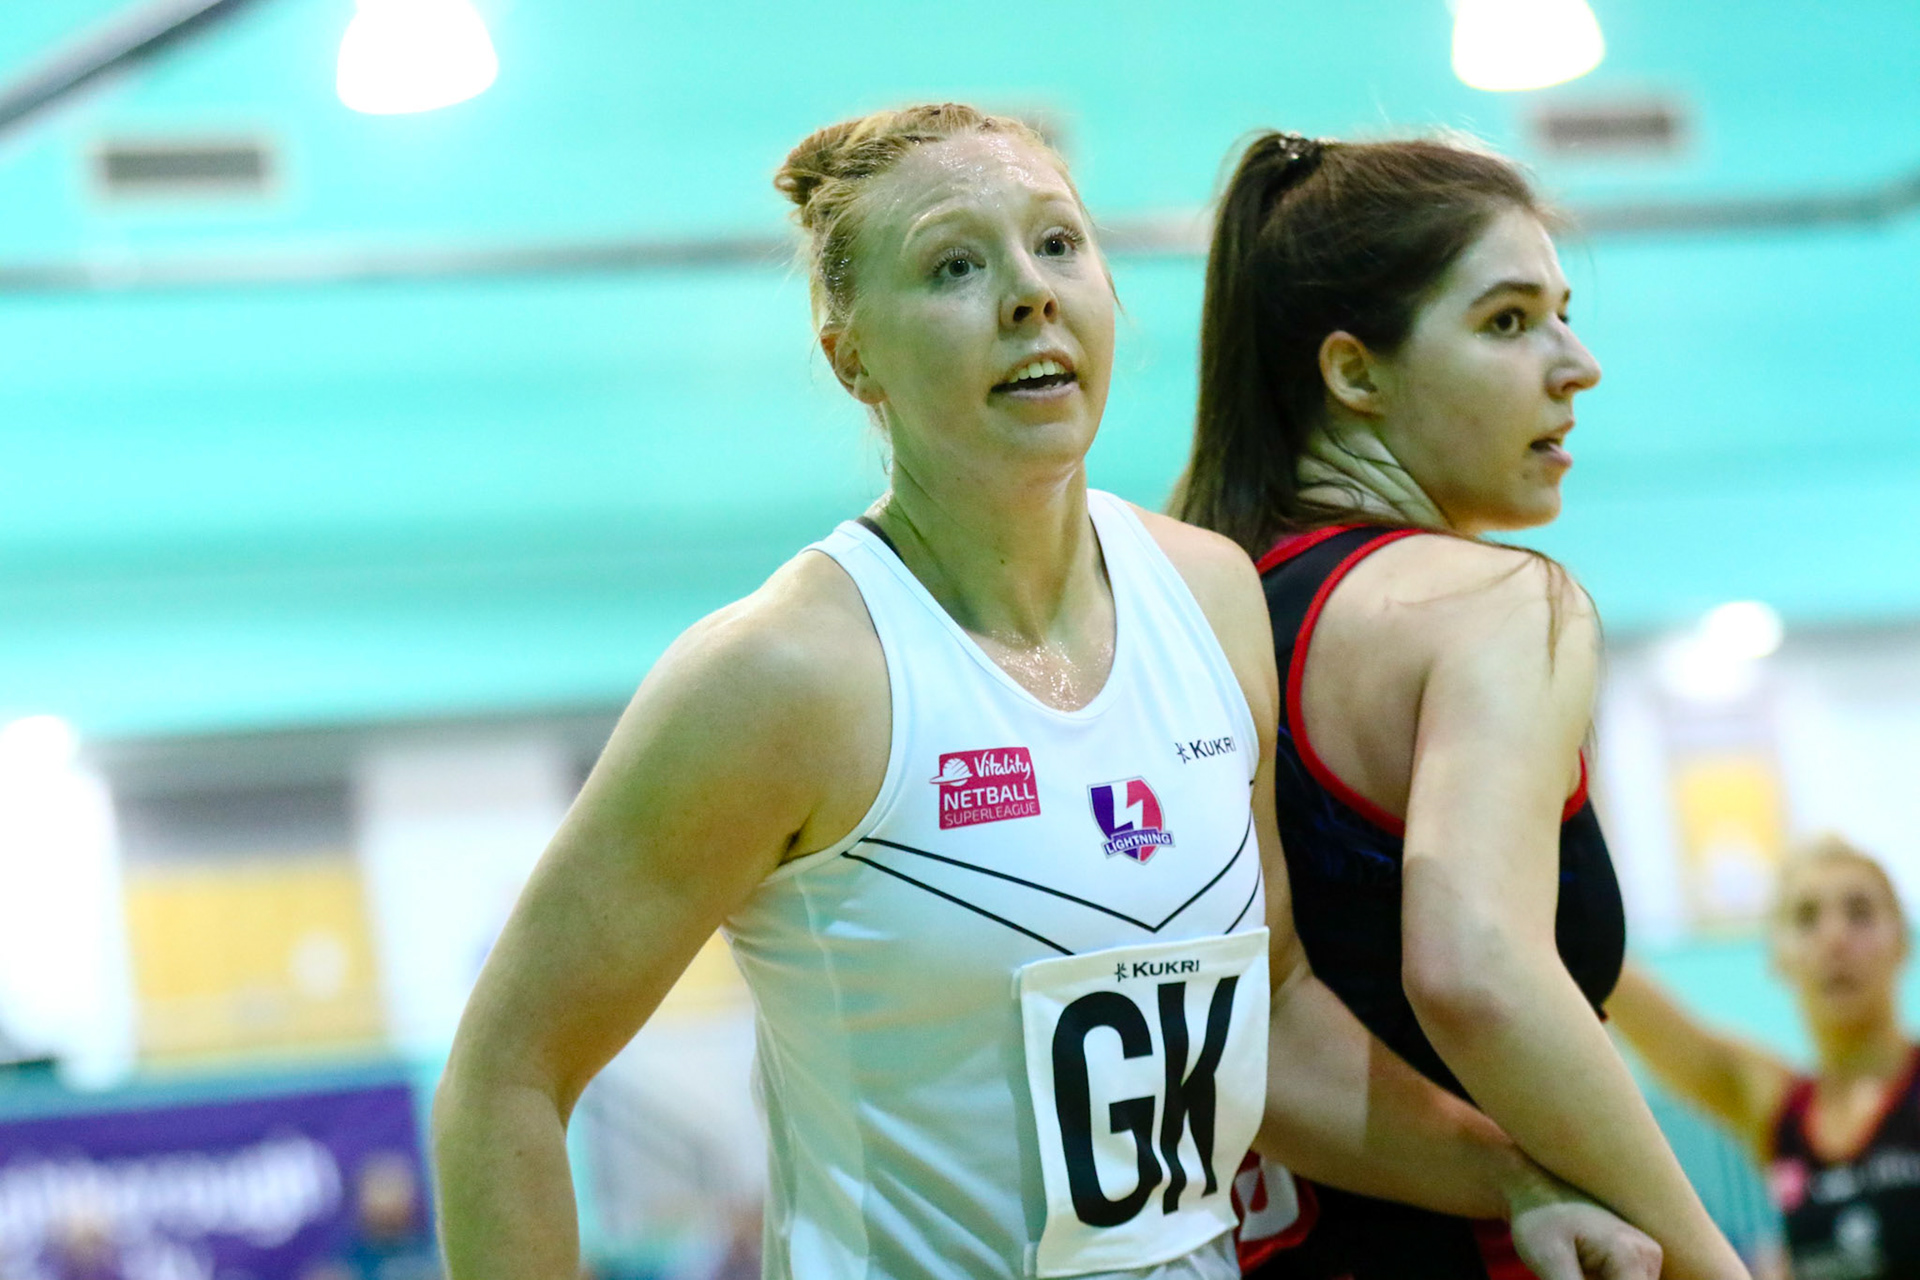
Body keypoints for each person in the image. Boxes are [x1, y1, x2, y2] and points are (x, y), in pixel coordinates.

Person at [431, 104, 1661, 1280]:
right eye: (956, 266)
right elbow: (507, 1076)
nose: (1030, 292)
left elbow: (1272, 1016)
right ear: (847, 346)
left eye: (1059, 243)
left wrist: (1516, 1180)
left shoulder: (1213, 598)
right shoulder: (784, 673)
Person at [1172, 131, 1748, 1280]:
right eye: (1509, 321)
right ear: (1354, 372)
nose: (1576, 362)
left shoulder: (1179, 619)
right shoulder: (1494, 606)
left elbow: (1244, 1043)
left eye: (1564, 312)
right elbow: (1474, 969)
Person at [1609, 836, 1920, 1280]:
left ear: (1901, 943)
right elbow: (1624, 989)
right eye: (1807, 918)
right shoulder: (1777, 1102)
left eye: (1860, 913)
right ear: (1778, 956)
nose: (1835, 938)